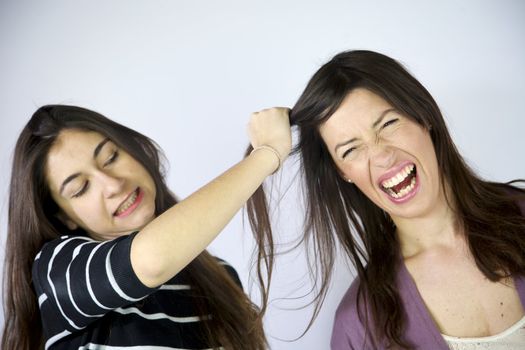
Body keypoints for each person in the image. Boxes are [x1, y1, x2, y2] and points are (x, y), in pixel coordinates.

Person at [247, 50, 525, 349]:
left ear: (423, 116)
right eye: (351, 150)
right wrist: (268, 153)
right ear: (343, 173)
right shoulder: (358, 325)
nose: (381, 155)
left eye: (388, 124)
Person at [1, 104, 291, 350]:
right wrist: (267, 154)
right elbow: (152, 260)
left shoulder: (222, 277)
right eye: (80, 188)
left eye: (111, 157)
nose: (113, 185)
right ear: (65, 217)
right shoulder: (57, 271)